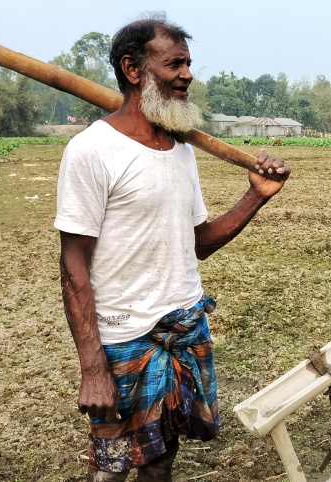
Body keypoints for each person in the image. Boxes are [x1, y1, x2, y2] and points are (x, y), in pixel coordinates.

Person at [54, 16, 289, 481]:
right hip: (124, 337)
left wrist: (256, 196)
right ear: (133, 69)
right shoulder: (92, 150)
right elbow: (73, 262)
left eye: (188, 63)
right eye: (175, 64)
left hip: (184, 324)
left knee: (162, 458)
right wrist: (93, 369)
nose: (188, 75)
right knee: (112, 468)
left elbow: (199, 243)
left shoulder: (181, 149)